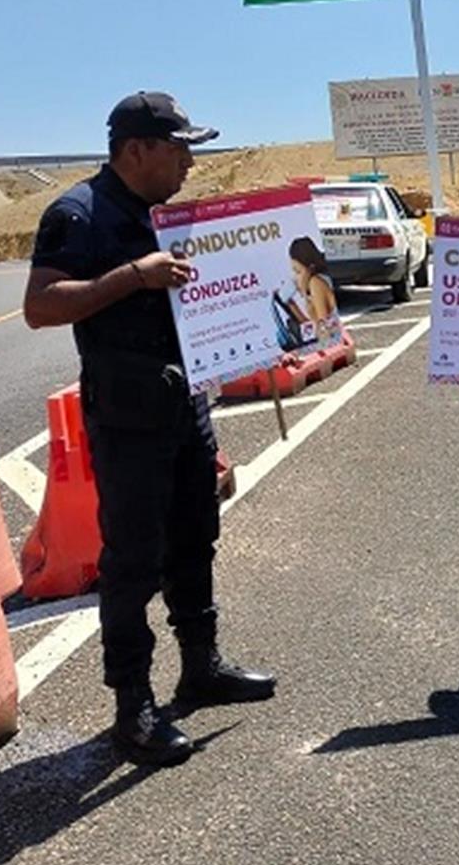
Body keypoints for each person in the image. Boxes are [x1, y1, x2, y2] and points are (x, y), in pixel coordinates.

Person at [22, 91, 277, 767]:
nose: (191, 161)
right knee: (132, 560)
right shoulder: (78, 214)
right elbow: (41, 305)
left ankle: (202, 664)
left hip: (185, 400)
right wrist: (133, 277)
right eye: (180, 147)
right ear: (137, 149)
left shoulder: (170, 215)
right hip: (127, 415)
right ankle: (132, 706)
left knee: (197, 535)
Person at [289, 236, 339, 338]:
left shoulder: (315, 283)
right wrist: (292, 305)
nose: (295, 278)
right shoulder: (314, 286)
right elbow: (313, 328)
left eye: (298, 272)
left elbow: (325, 333)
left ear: (310, 268)